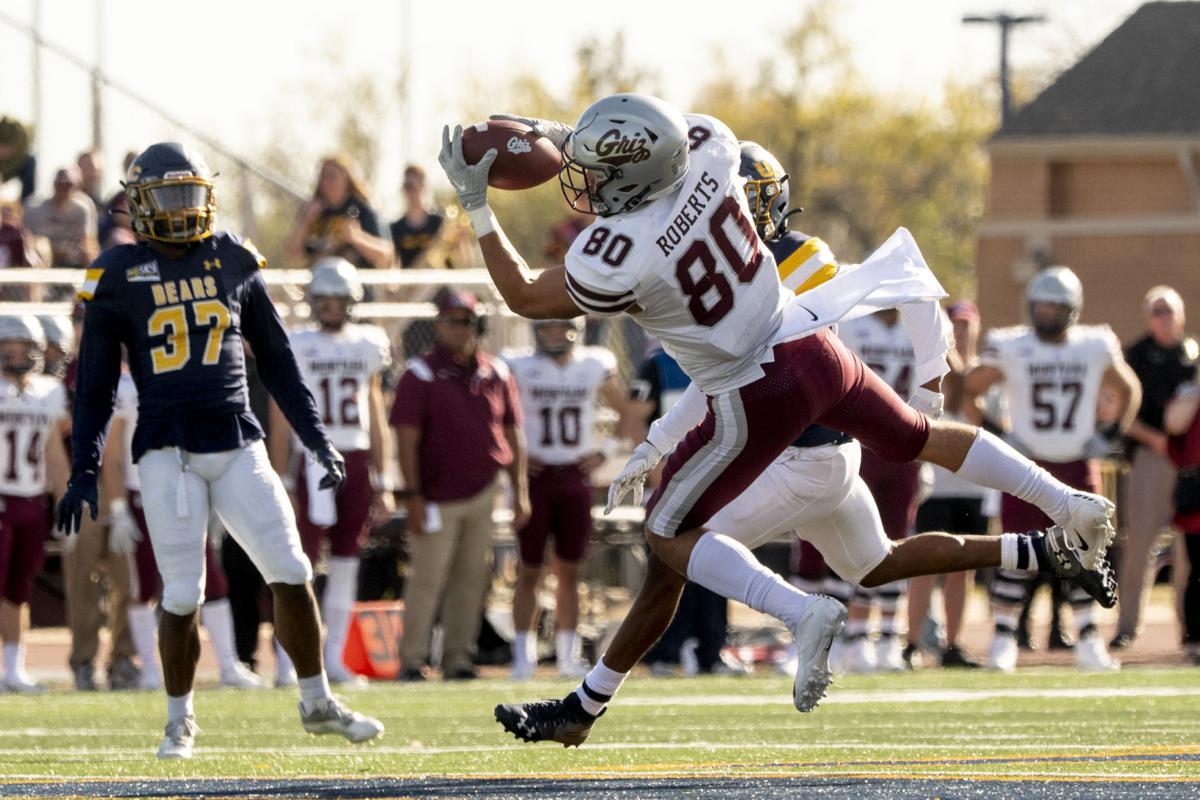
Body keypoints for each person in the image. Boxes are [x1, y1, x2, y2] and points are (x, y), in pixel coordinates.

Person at [437, 106, 1116, 746]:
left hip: (754, 393)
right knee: (915, 442)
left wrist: (476, 202)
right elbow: (669, 132)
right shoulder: (712, 148)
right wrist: (570, 132)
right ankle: (1066, 510)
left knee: (668, 536)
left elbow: (524, 293)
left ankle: (795, 614)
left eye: (603, 173)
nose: (589, 185)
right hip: (814, 350)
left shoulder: (623, 251)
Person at [56, 142, 382, 759]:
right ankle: (179, 720)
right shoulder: (118, 272)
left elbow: (279, 360)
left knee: (290, 568)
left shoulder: (231, 259)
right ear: (139, 203)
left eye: (189, 193)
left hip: (236, 439)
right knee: (182, 594)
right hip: (166, 450)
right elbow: (95, 388)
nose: (181, 208)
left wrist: (314, 436)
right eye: (168, 195)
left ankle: (316, 701)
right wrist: (85, 472)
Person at [964, 266, 1140, 672]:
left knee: (1087, 555)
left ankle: (1090, 640)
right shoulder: (1012, 345)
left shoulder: (1093, 345)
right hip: (1026, 465)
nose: (1045, 314)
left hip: (1078, 463)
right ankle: (1003, 638)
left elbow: (1129, 388)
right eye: (1040, 306)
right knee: (1017, 551)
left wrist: (1111, 432)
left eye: (1054, 307)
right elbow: (971, 388)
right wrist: (995, 433)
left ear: (1072, 309)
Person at [389, 290, 530, 681]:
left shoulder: (496, 372)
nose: (459, 328)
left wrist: (521, 491)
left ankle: (459, 658)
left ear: (477, 324)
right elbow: (406, 438)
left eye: (466, 320)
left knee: (472, 580)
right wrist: (413, 494)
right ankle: (413, 659)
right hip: (435, 494)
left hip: (484, 490)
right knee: (427, 578)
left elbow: (513, 433)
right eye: (451, 320)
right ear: (438, 324)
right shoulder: (420, 373)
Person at [269, 256, 393, 684]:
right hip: (311, 457)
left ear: (351, 302)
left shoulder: (367, 343)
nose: (329, 307)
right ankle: (289, 661)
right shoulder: (298, 342)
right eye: (322, 300)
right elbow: (281, 412)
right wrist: (281, 475)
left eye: (337, 300)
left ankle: (334, 658)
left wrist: (385, 479)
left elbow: (375, 410)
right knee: (296, 562)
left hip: (354, 456)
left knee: (346, 561)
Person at [108, 370, 267, 690]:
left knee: (213, 580)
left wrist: (216, 491)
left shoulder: (192, 376)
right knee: (144, 584)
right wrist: (117, 507)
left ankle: (228, 664)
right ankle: (152, 670)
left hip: (187, 490)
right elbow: (112, 454)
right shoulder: (125, 386)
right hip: (142, 494)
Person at [504, 318, 627, 679]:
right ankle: (522, 657)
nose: (554, 335)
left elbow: (628, 411)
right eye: (547, 328)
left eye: (561, 327)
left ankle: (567, 657)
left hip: (574, 474)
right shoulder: (519, 365)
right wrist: (517, 456)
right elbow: (497, 415)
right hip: (534, 477)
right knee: (528, 569)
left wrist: (606, 452)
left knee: (570, 570)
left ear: (575, 329)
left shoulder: (594, 363)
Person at [836, 309, 926, 672]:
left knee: (896, 543)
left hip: (904, 447)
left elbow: (941, 379)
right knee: (855, 542)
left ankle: (888, 636)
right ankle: (854, 636)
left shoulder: (921, 327)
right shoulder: (853, 324)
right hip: (860, 445)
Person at [905, 299, 989, 669]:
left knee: (962, 566)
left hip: (970, 485)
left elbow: (977, 412)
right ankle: (911, 642)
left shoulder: (984, 374)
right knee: (924, 565)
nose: (962, 332)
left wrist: (971, 376)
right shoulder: (935, 365)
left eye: (968, 325)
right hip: (936, 483)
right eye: (956, 324)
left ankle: (952, 643)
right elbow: (952, 391)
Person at [1114, 286, 1197, 649]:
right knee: (1141, 544)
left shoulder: (1190, 356)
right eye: (1157, 311)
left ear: (1180, 316)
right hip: (1152, 456)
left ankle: (1190, 627)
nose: (1164, 318)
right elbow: (1121, 415)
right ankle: (1128, 625)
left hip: (1189, 461)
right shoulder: (1134, 356)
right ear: (1149, 317)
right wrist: (1156, 440)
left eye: (1169, 311)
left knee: (1188, 547)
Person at [0, 316, 70, 691]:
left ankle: (13, 668)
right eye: (9, 347)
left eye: (24, 347)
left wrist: (65, 503)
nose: (17, 355)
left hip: (31, 500)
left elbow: (54, 453)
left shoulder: (48, 391)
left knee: (17, 587)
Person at [285, 155, 393, 270]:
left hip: (355, 284)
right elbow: (292, 253)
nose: (326, 182)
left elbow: (385, 255)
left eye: (332, 176)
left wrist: (357, 238)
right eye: (323, 176)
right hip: (319, 282)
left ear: (347, 179)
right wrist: (306, 221)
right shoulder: (314, 209)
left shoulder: (360, 209)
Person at [1164, 365, 1200, 662]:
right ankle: (1194, 639)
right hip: (1197, 492)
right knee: (1197, 571)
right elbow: (1174, 424)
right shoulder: (1189, 391)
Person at [24, 167, 98, 269]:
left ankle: (91, 285)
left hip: (72, 255)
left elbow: (87, 240)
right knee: (40, 248)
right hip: (46, 253)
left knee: (94, 258)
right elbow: (31, 238)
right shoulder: (36, 208)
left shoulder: (82, 210)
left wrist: (86, 253)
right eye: (60, 185)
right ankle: (39, 283)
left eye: (68, 185)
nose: (64, 189)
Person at [389, 165, 444, 268]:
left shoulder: (440, 223)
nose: (408, 191)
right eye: (405, 186)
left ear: (423, 187)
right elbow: (393, 264)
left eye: (412, 186)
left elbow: (464, 263)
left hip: (438, 282)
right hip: (408, 282)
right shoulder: (395, 228)